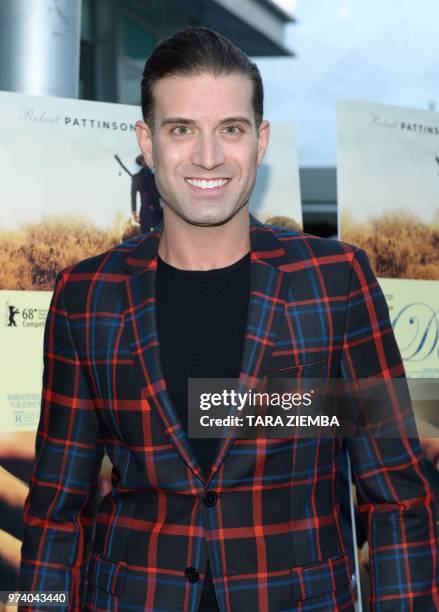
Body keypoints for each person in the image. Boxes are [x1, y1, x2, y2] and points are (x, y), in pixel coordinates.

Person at [19, 27, 437, 611]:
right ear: (146, 140)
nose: (209, 157)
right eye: (182, 129)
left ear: (261, 140)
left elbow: (397, 498)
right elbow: (54, 510)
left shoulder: (335, 282)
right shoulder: (86, 295)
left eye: (232, 130)